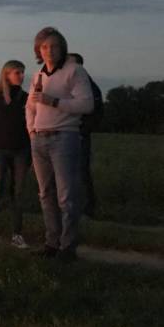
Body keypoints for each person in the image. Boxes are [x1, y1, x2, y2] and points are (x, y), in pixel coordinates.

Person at [27, 27, 94, 262]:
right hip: (39, 139)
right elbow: (30, 106)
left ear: (62, 47)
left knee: (66, 196)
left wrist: (53, 101)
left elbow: (86, 105)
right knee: (45, 193)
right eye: (44, 47)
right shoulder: (38, 75)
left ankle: (68, 247)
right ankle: (51, 243)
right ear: (38, 49)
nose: (49, 51)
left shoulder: (75, 71)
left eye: (54, 46)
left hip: (64, 137)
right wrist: (31, 130)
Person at [0, 60, 30, 249]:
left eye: (23, 72)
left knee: (18, 193)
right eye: (17, 72)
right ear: (7, 74)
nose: (21, 76)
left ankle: (17, 234)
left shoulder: (26, 98)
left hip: (21, 151)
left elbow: (30, 126)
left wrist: (30, 155)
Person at [67, 53, 103, 218]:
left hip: (79, 135)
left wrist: (83, 131)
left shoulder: (89, 86)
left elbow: (96, 113)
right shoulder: (68, 83)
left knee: (81, 172)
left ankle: (87, 209)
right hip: (64, 134)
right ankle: (68, 207)